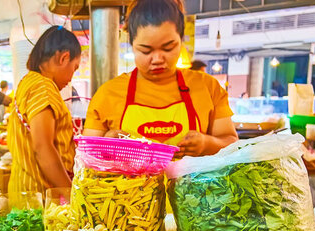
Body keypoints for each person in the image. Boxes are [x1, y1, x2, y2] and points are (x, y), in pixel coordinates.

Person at [84, 0, 237, 158]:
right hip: (128, 184)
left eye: (168, 48)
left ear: (181, 39)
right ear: (132, 44)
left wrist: (207, 144)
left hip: (193, 183)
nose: (157, 59)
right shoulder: (107, 94)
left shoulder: (208, 87)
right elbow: (86, 157)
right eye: (145, 50)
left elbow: (232, 142)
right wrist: (107, 144)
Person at [7, 25, 80, 194]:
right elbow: (43, 148)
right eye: (74, 68)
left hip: (24, 191)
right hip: (38, 198)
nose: (70, 79)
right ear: (64, 58)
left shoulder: (28, 81)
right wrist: (70, 195)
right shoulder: (43, 86)